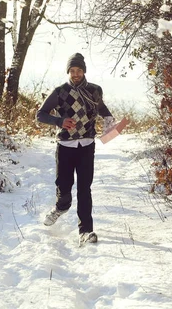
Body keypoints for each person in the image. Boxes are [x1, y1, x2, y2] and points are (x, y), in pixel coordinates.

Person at [37, 52, 115, 246]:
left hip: (87, 146)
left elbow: (102, 109)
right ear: (68, 72)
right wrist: (59, 121)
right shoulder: (60, 91)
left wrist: (111, 125)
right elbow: (40, 115)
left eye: (79, 70)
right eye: (72, 70)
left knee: (84, 190)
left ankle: (86, 231)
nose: (76, 74)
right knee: (64, 188)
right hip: (65, 146)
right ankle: (61, 207)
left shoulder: (95, 90)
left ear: (84, 71)